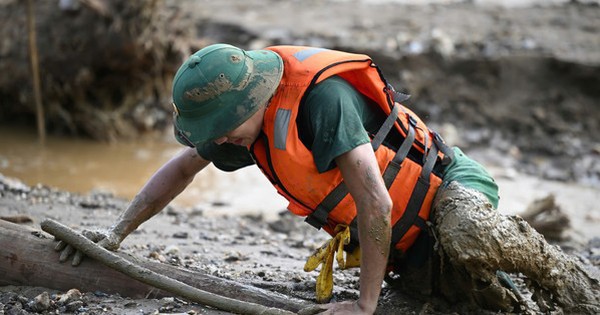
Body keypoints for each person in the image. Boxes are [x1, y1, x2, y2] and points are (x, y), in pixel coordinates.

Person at [54, 44, 597, 314]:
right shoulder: (241, 131)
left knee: (474, 242)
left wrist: (361, 307)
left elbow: (376, 203)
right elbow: (180, 169)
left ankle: (571, 279)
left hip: (455, 192)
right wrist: (117, 234)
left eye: (221, 128)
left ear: (256, 99)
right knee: (496, 305)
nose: (216, 140)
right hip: (409, 247)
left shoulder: (321, 102)